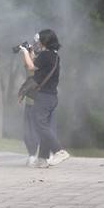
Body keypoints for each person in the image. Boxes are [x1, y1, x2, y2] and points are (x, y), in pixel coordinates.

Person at [19, 29, 69, 168]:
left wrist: (24, 52)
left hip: (44, 96)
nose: (37, 42)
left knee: (40, 125)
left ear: (44, 41)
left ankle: (59, 151)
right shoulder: (53, 55)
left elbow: (31, 66)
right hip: (51, 96)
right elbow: (35, 63)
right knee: (43, 126)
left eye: (39, 39)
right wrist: (29, 53)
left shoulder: (46, 55)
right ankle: (42, 158)